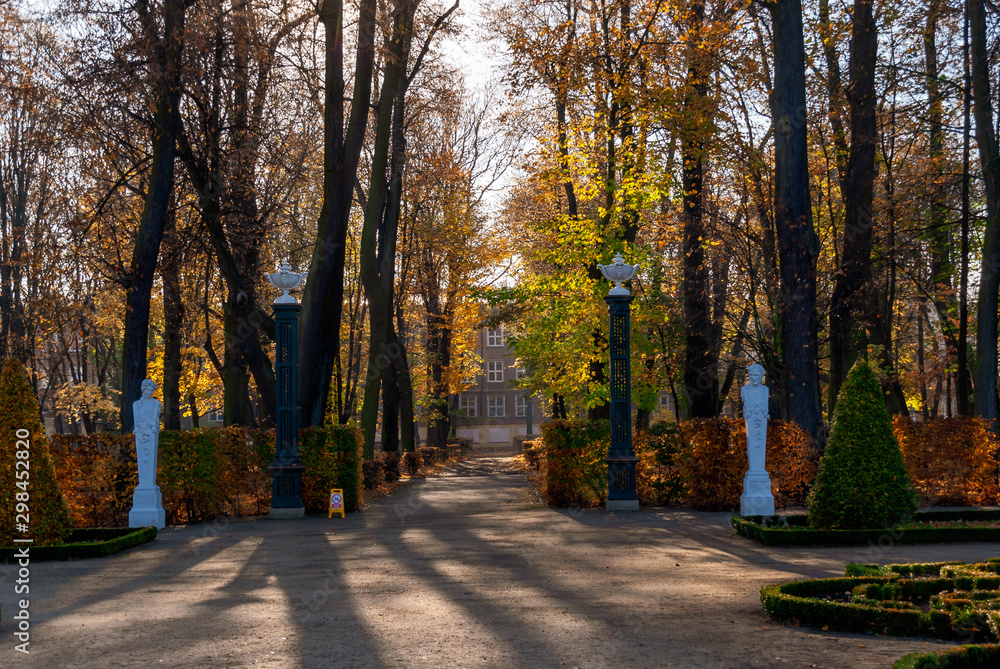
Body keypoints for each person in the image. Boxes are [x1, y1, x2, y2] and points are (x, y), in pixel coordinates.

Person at [741, 364, 769, 473]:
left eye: (757, 375)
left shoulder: (765, 390)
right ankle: (755, 470)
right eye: (751, 375)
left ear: (762, 375)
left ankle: (759, 471)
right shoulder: (744, 390)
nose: (754, 378)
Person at [133, 379, 161, 486]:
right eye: (147, 390)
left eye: (151, 390)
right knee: (143, 459)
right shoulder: (136, 405)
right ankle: (144, 485)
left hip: (151, 433)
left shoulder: (156, 404)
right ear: (143, 390)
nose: (149, 393)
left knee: (149, 458)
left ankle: (149, 485)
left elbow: (155, 421)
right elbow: (136, 422)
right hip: (140, 433)